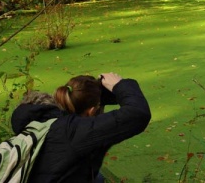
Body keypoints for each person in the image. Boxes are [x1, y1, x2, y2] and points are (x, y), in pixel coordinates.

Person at [11, 72, 151, 182]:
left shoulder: (44, 121)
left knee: (97, 178)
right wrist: (120, 85)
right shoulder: (76, 133)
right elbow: (138, 113)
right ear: (91, 111)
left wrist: (102, 92)